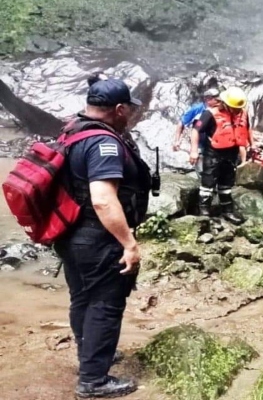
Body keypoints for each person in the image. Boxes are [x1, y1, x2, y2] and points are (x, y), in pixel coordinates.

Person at [54, 76, 152, 398]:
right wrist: (129, 244)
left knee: (83, 298)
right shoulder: (103, 143)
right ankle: (94, 381)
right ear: (119, 109)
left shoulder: (73, 129)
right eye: (129, 109)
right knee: (105, 304)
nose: (131, 114)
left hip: (70, 233)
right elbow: (102, 200)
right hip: (97, 237)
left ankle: (89, 356)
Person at [190, 87, 251, 224]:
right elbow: (195, 130)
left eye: (238, 108)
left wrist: (251, 145)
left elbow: (246, 129)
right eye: (234, 108)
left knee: (227, 183)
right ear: (226, 103)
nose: (237, 111)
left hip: (231, 153)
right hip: (213, 152)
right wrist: (194, 150)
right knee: (208, 182)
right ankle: (204, 213)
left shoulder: (241, 113)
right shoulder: (209, 114)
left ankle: (227, 211)